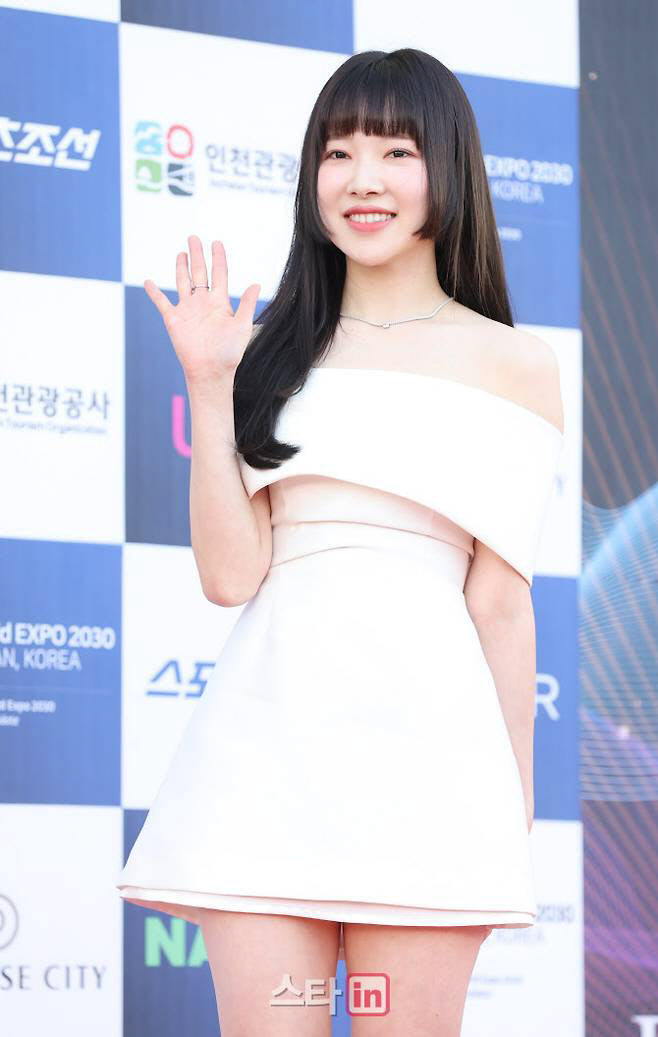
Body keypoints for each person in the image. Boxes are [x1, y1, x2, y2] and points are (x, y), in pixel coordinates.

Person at [116, 48, 564, 1036]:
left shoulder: (515, 364)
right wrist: (209, 384)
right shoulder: (271, 350)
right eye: (338, 152)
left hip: (431, 770)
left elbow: (499, 601)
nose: (363, 178)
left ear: (445, 169)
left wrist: (512, 802)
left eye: (396, 151)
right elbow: (231, 575)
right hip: (265, 761)